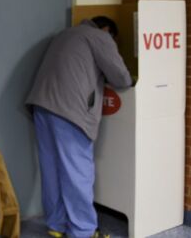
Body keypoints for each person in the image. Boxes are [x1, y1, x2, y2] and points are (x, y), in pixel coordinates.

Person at [26, 16, 133, 238]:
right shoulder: (100, 37)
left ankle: (56, 226)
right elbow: (122, 77)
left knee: (52, 171)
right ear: (106, 29)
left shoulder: (65, 34)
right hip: (69, 111)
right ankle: (83, 231)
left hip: (42, 106)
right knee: (77, 172)